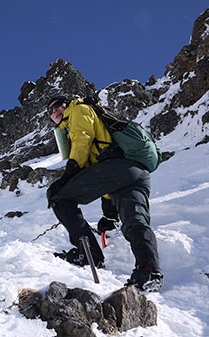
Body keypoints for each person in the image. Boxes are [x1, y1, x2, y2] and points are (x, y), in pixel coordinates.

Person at [45, 95, 163, 292]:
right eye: (50, 111)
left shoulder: (78, 109)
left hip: (117, 168)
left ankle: (89, 255)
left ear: (67, 104)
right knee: (135, 222)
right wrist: (109, 210)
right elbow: (103, 170)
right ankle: (148, 271)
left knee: (59, 197)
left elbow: (82, 137)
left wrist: (70, 172)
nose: (54, 111)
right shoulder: (94, 114)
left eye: (57, 105)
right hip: (136, 172)